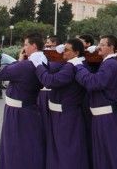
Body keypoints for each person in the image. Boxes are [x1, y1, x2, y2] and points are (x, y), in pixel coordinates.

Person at [72, 35, 117, 169]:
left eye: (103, 45)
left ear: (111, 47)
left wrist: (79, 66)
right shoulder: (108, 63)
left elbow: (93, 83)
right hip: (102, 115)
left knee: (111, 153)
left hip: (107, 116)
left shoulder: (110, 64)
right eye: (99, 44)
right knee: (102, 154)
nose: (99, 47)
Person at [34, 38, 89, 169]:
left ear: (76, 52)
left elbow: (51, 81)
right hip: (61, 114)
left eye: (66, 50)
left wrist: (39, 66)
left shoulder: (71, 67)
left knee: (65, 150)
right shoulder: (73, 63)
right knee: (59, 149)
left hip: (65, 115)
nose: (63, 52)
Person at [0, 33, 45, 169]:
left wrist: (19, 60)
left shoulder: (25, 65)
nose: (24, 48)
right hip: (30, 109)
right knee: (29, 144)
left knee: (14, 145)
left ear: (34, 46)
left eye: (25, 45)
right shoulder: (43, 62)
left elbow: (2, 74)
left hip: (16, 112)